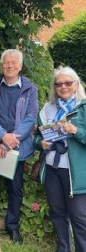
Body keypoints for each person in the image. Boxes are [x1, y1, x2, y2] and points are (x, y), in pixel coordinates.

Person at [0, 49, 38, 244]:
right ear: (1, 66)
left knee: (16, 189)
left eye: (14, 63)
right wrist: (2, 136)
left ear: (20, 66)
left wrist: (10, 141)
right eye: (6, 63)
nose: (10, 66)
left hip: (16, 147)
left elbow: (30, 118)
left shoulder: (30, 89)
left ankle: (13, 227)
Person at [33, 66, 86, 252]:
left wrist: (76, 131)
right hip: (52, 169)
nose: (63, 87)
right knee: (57, 213)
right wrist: (41, 144)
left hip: (76, 173)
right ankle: (63, 248)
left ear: (76, 84)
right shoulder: (47, 109)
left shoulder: (84, 107)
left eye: (68, 83)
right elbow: (38, 138)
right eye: (59, 84)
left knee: (79, 217)